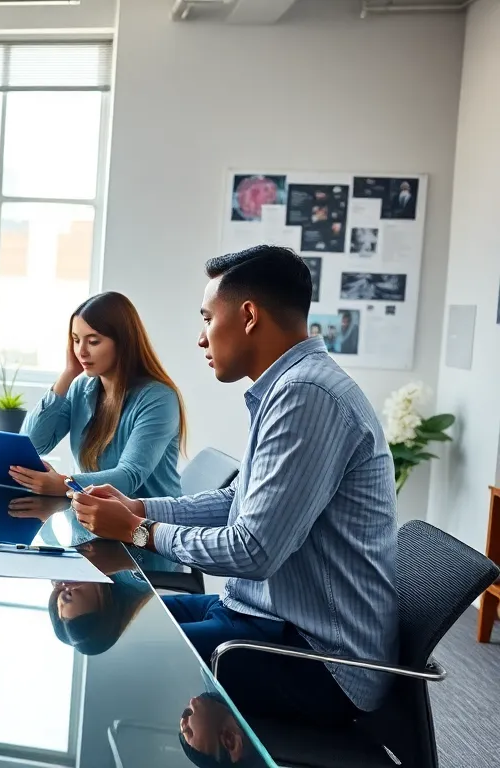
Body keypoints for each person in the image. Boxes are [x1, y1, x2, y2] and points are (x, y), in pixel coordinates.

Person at [68, 244, 398, 726]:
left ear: (247, 316)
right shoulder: (290, 386)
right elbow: (235, 500)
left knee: (118, 655)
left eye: (207, 318)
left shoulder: (306, 395)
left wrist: (138, 531)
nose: (201, 338)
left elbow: (253, 551)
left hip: (317, 658)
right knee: (116, 615)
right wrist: (138, 506)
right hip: (259, 617)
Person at [14, 291, 187, 498]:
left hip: (149, 522)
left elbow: (128, 477)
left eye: (93, 342)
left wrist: (65, 484)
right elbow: (32, 445)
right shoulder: (81, 388)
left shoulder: (158, 399)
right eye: (76, 340)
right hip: (97, 516)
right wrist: (68, 374)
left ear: (123, 343)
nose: (81, 351)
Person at [47, 540, 154, 656]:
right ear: (102, 605)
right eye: (69, 594)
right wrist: (122, 557)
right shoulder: (138, 577)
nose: (65, 585)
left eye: (59, 591)